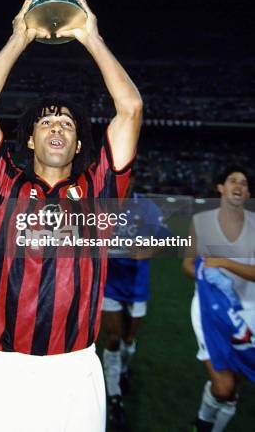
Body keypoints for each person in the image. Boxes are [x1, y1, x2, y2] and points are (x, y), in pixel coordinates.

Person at [0, 0, 143, 432]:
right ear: (29, 139)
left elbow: (131, 110)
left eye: (67, 123)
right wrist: (18, 38)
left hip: (75, 367)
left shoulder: (99, 190)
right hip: (5, 367)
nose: (58, 127)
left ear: (80, 144)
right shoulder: (4, 186)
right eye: (46, 122)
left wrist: (91, 38)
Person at [183, 166, 255, 431]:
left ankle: (208, 425)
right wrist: (205, 274)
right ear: (220, 188)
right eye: (232, 180)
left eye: (244, 183)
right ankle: (204, 421)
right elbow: (188, 265)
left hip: (249, 311)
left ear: (247, 193)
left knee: (234, 382)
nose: (239, 185)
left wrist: (224, 263)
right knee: (224, 388)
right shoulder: (201, 222)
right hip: (210, 311)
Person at [102, 175, 169, 430]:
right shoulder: (102, 207)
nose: (124, 184)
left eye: (128, 179)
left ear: (133, 181)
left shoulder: (147, 207)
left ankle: (123, 370)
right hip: (110, 285)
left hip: (137, 286)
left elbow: (164, 239)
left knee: (129, 341)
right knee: (113, 338)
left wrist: (145, 250)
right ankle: (114, 397)